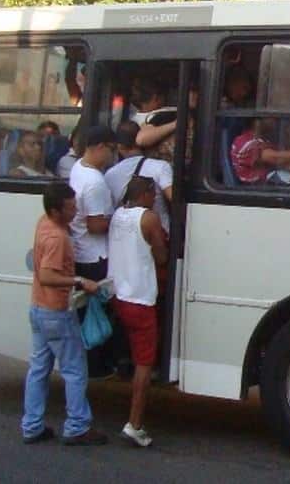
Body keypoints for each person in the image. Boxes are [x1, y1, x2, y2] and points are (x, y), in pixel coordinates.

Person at [21, 181, 107, 446]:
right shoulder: (58, 238)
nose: (76, 211)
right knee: (75, 370)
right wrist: (80, 282)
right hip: (56, 312)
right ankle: (77, 425)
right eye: (71, 208)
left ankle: (32, 425)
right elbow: (47, 275)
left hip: (37, 308)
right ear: (57, 211)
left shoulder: (43, 223)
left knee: (38, 369)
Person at [107, 176, 168, 448]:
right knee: (144, 364)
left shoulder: (118, 215)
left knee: (134, 357)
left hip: (120, 295)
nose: (155, 197)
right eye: (152, 193)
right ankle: (135, 423)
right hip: (142, 299)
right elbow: (162, 256)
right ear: (143, 194)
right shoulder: (149, 219)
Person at [68, 126, 118, 377]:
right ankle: (97, 366)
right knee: (97, 315)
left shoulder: (78, 168)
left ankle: (90, 363)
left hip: (81, 252)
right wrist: (120, 219)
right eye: (111, 149)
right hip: (96, 255)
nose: (112, 156)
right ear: (99, 147)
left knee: (86, 313)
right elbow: (96, 225)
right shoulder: (95, 182)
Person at [106, 121, 174, 232]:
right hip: (158, 234)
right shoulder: (160, 167)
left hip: (124, 235)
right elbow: (174, 198)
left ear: (119, 147)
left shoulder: (110, 174)